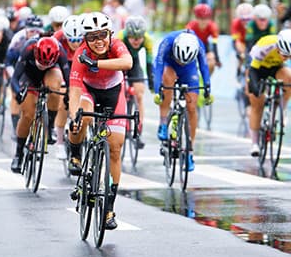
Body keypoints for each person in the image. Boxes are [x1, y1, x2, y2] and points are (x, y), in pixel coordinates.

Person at [67, 12, 132, 230]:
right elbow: (74, 90)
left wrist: (96, 63)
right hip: (88, 92)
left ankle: (109, 208)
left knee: (115, 148)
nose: (98, 41)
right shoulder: (80, 54)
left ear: (110, 33)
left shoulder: (116, 46)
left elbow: (127, 62)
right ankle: (75, 152)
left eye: (102, 35)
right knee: (82, 114)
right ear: (85, 39)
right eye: (92, 37)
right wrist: (73, 115)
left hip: (114, 93)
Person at [154, 30, 212, 172]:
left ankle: (189, 151)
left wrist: (207, 89)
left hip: (189, 69)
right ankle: (162, 122)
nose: (180, 61)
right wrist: (158, 90)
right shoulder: (167, 41)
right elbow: (158, 66)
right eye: (179, 58)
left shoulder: (198, 44)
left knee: (191, 107)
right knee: (167, 83)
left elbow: (204, 67)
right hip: (169, 65)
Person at [9, 36, 68, 173]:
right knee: (28, 115)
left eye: (46, 63)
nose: (42, 65)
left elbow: (68, 77)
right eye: (41, 62)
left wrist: (68, 95)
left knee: (54, 88)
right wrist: (18, 92)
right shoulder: (28, 49)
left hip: (51, 73)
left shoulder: (60, 51)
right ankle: (18, 154)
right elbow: (15, 78)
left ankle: (50, 126)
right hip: (30, 77)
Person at [246, 30, 291, 156]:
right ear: (278, 47)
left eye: (289, 56)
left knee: (289, 78)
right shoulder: (265, 45)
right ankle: (254, 143)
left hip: (276, 68)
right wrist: (254, 87)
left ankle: (282, 107)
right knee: (257, 103)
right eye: (284, 55)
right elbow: (253, 70)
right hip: (258, 68)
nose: (286, 58)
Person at [117, 15, 154, 148]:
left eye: (139, 38)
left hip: (135, 63)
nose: (136, 40)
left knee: (139, 95)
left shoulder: (148, 40)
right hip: (120, 61)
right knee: (118, 91)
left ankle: (138, 131)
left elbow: (150, 64)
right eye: (133, 37)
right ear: (128, 34)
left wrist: (151, 83)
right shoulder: (120, 37)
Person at [5, 15, 45, 135]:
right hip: (17, 64)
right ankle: (15, 124)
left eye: (37, 31)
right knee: (16, 92)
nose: (34, 34)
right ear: (26, 30)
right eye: (31, 31)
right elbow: (8, 61)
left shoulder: (43, 40)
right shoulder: (18, 39)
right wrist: (13, 78)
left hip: (34, 66)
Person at [52, 14, 83, 159]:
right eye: (72, 40)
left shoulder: (86, 39)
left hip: (79, 65)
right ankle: (59, 142)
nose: (75, 44)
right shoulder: (58, 38)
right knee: (63, 99)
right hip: (61, 64)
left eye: (78, 40)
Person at [186, 3, 221, 75]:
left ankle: (206, 80)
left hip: (204, 45)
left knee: (211, 61)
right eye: (201, 19)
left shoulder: (212, 26)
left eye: (206, 18)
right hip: (192, 45)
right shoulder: (190, 27)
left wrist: (217, 59)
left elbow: (215, 45)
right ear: (196, 18)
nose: (204, 22)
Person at [231, 3, 254, 74]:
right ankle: (239, 68)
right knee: (242, 55)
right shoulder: (235, 23)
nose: (246, 22)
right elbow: (236, 41)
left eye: (248, 19)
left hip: (250, 41)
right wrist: (241, 53)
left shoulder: (254, 22)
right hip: (240, 42)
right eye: (243, 19)